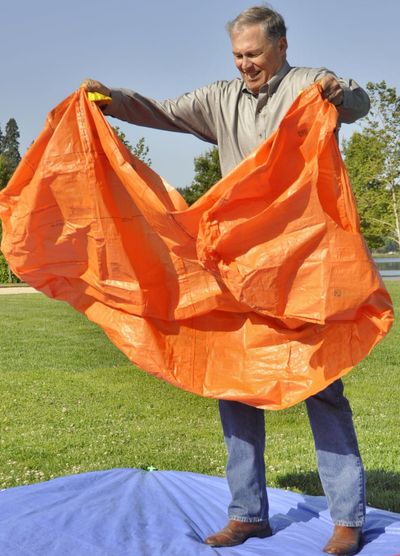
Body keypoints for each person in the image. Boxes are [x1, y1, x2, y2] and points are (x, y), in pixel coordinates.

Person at [82, 5, 369, 554]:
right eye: (238, 56)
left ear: (281, 47)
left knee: (322, 386)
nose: (245, 65)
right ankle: (247, 514)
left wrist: (336, 90)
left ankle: (347, 519)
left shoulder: (310, 85)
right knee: (233, 384)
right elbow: (160, 111)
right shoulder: (219, 98)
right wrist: (108, 98)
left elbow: (360, 103)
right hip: (237, 265)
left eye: (254, 55)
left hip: (304, 265)